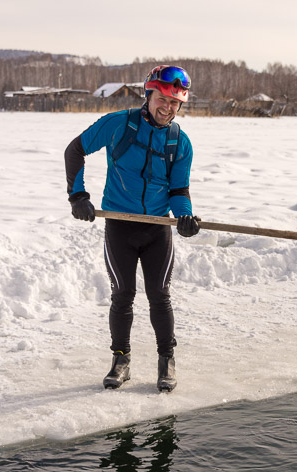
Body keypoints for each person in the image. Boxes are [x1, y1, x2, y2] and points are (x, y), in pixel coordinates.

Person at [64, 65, 201, 391]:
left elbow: (178, 191)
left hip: (156, 231)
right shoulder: (119, 124)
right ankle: (120, 360)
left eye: (176, 102)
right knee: (122, 295)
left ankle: (166, 360)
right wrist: (78, 196)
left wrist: (184, 217)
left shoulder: (179, 143)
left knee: (159, 296)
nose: (168, 107)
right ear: (148, 94)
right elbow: (75, 150)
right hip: (120, 227)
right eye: (163, 99)